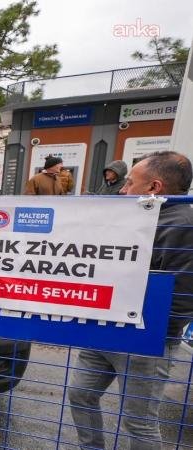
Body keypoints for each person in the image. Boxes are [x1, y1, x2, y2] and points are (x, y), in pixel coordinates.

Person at [68, 151, 193, 449]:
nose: (122, 190)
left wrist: (147, 326)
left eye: (129, 183)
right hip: (105, 329)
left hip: (145, 340)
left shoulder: (183, 225)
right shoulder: (138, 215)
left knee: (139, 422)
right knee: (80, 394)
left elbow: (184, 296)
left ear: (154, 187)